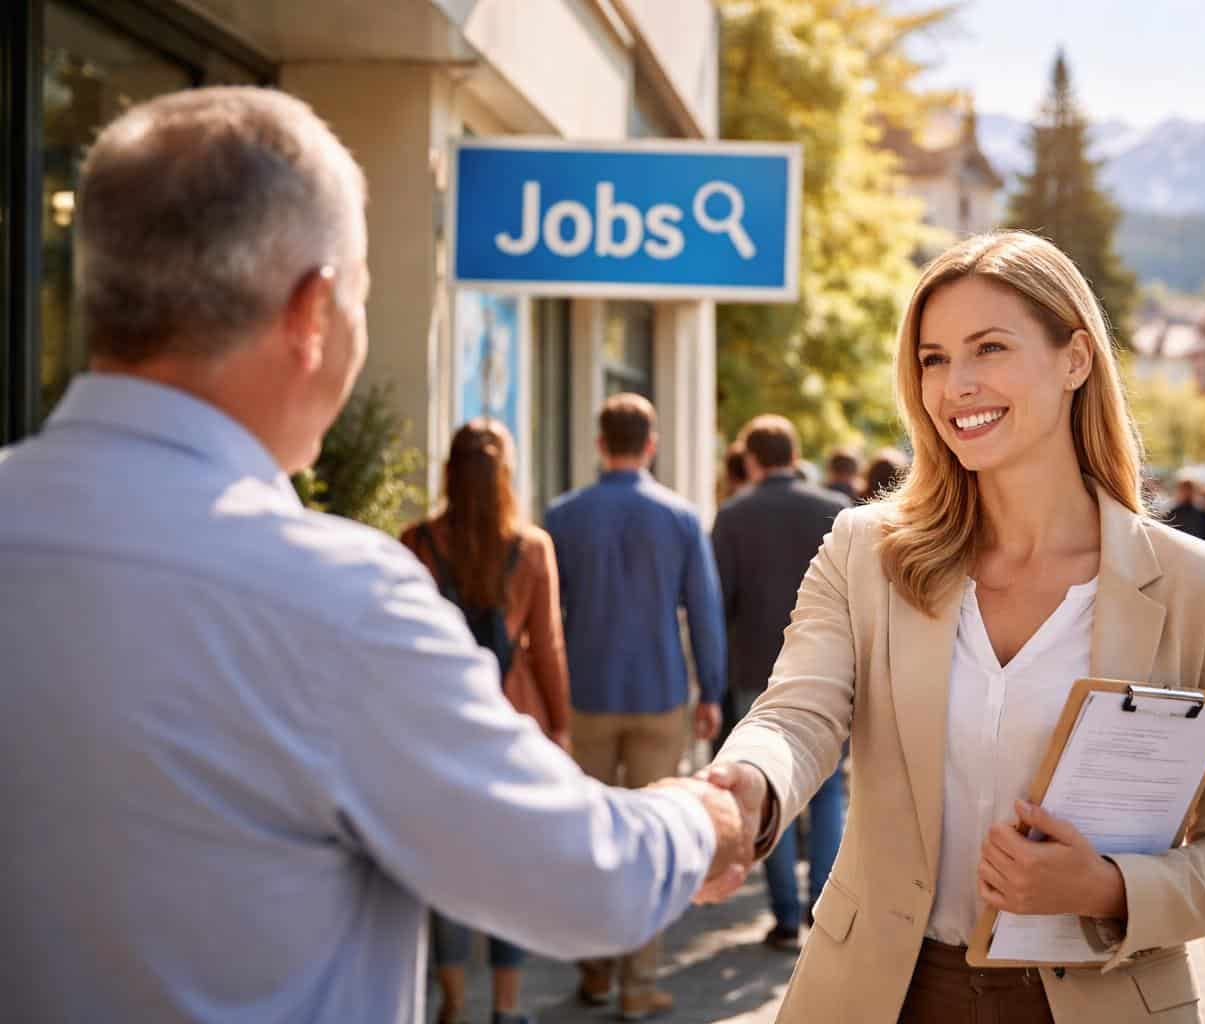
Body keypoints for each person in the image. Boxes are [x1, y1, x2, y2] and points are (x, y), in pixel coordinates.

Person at [0, 88, 752, 1024]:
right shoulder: (334, 599)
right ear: (313, 310)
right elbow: (581, 880)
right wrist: (707, 816)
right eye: (361, 289)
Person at [700, 232, 1205, 1022]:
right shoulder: (864, 551)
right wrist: (748, 788)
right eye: (934, 358)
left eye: (989, 348)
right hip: (885, 995)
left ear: (1075, 359)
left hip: (1101, 1001)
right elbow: (795, 714)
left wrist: (1110, 888)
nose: (957, 385)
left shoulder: (1197, 587)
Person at [544, 393, 728, 1019]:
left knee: (592, 835)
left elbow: (548, 622)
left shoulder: (563, 517)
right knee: (652, 835)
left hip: (586, 696)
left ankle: (594, 969)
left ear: (600, 444)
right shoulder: (679, 517)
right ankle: (639, 982)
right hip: (660, 693)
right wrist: (712, 690)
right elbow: (702, 610)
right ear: (650, 444)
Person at [401, 419, 570, 1024]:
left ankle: (451, 1002)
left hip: (439, 725)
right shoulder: (530, 549)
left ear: (449, 473)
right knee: (511, 864)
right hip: (513, 724)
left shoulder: (417, 544)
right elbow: (546, 646)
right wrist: (559, 727)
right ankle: (505, 1007)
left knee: (447, 865)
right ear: (506, 476)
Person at [711, 415, 850, 952]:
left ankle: (786, 917)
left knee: (767, 789)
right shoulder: (833, 510)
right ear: (793, 453)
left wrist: (713, 680)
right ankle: (822, 905)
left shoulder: (733, 514)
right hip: (828, 672)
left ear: (751, 459)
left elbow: (716, 601)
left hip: (756, 671)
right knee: (826, 792)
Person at [1165, 477, 1205, 542]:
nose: (1186, 493)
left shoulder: (1204, 515)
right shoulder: (1172, 514)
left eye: (1189, 489)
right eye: (1184, 489)